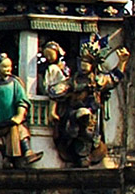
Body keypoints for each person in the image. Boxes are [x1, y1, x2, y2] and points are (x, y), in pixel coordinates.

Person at [49, 37, 129, 167]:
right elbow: (55, 92)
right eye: (82, 62)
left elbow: (113, 78)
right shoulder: (74, 81)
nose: (83, 65)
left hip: (91, 115)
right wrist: (54, 105)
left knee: (86, 123)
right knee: (76, 125)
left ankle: (87, 150)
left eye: (87, 62)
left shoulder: (98, 80)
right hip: (74, 114)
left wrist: (122, 62)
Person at [0, 51, 42, 167]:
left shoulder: (14, 82)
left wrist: (19, 114)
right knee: (4, 139)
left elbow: (22, 100)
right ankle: (9, 157)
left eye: (9, 66)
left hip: (13, 119)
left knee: (18, 130)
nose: (8, 69)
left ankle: (22, 155)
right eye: (4, 67)